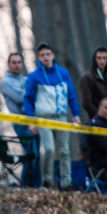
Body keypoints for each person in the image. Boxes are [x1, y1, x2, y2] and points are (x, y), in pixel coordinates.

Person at [23, 42, 82, 190]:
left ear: (53, 55)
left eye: (48, 54)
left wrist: (76, 114)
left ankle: (66, 183)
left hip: (61, 116)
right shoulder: (34, 76)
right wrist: (31, 121)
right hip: (43, 117)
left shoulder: (63, 73)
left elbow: (71, 94)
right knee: (49, 149)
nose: (46, 57)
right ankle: (47, 181)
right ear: (38, 57)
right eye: (42, 55)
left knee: (65, 151)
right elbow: (28, 100)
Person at [1, 52, 41, 188]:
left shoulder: (25, 79)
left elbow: (35, 94)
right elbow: (21, 98)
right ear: (8, 64)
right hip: (21, 122)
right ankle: (25, 185)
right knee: (31, 154)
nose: (17, 65)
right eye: (14, 62)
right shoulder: (6, 82)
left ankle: (36, 186)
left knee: (36, 156)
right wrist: (30, 94)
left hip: (33, 120)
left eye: (19, 62)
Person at [79, 46, 107, 121]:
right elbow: (86, 103)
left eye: (104, 58)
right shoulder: (87, 77)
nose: (102, 61)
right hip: (95, 120)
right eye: (99, 58)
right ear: (95, 59)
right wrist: (99, 116)